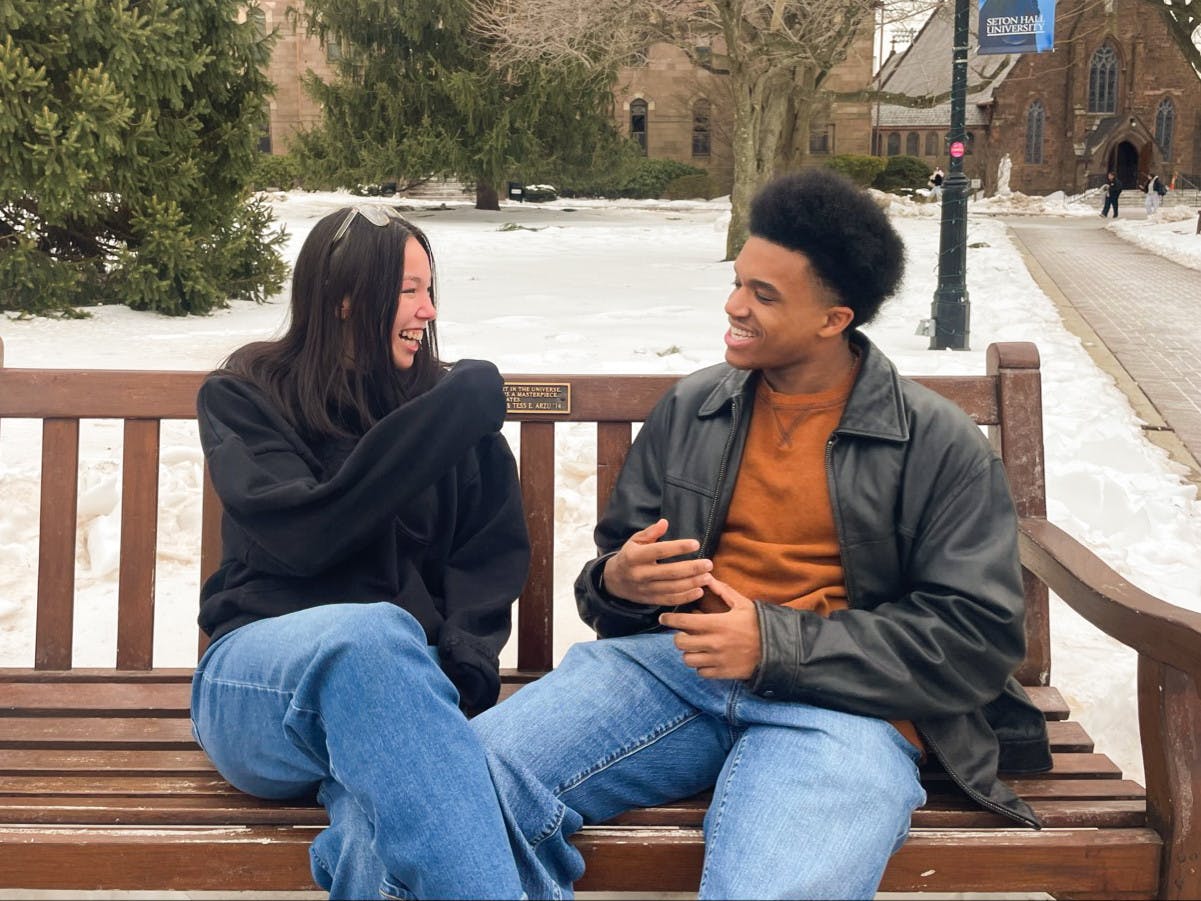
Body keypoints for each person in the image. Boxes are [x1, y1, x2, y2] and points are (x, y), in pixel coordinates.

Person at [473, 169, 1052, 899]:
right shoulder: (694, 407)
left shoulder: (934, 443)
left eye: (763, 294)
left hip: (848, 710)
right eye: (739, 281)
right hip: (674, 672)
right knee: (460, 789)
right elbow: (614, 583)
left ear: (833, 320)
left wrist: (773, 643)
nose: (733, 304)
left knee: (770, 888)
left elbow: (977, 637)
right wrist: (619, 581)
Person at [190, 203, 530, 900]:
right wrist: (445, 415)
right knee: (370, 634)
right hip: (259, 688)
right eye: (410, 290)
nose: (429, 311)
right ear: (346, 297)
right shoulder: (246, 395)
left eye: (430, 289)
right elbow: (306, 534)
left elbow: (485, 566)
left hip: (403, 708)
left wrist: (453, 684)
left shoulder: (449, 412)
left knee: (374, 835)